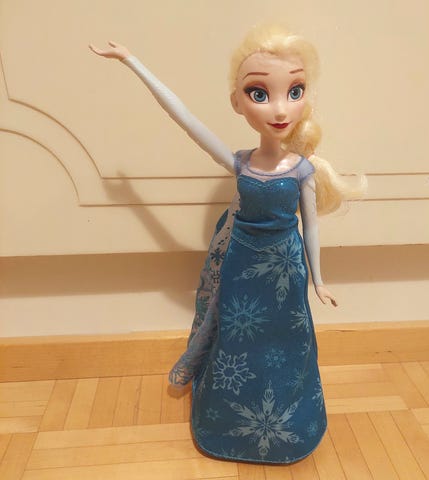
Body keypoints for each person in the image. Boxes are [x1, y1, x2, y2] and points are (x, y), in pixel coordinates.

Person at [89, 24, 365, 464]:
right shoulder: (240, 163)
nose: (280, 108)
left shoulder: (302, 170)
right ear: (237, 102)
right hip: (241, 265)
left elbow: (310, 227)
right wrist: (132, 62)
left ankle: (289, 424)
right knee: (236, 340)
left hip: (285, 270)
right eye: (259, 93)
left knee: (288, 342)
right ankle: (228, 424)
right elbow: (185, 119)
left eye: (294, 91)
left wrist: (318, 280)